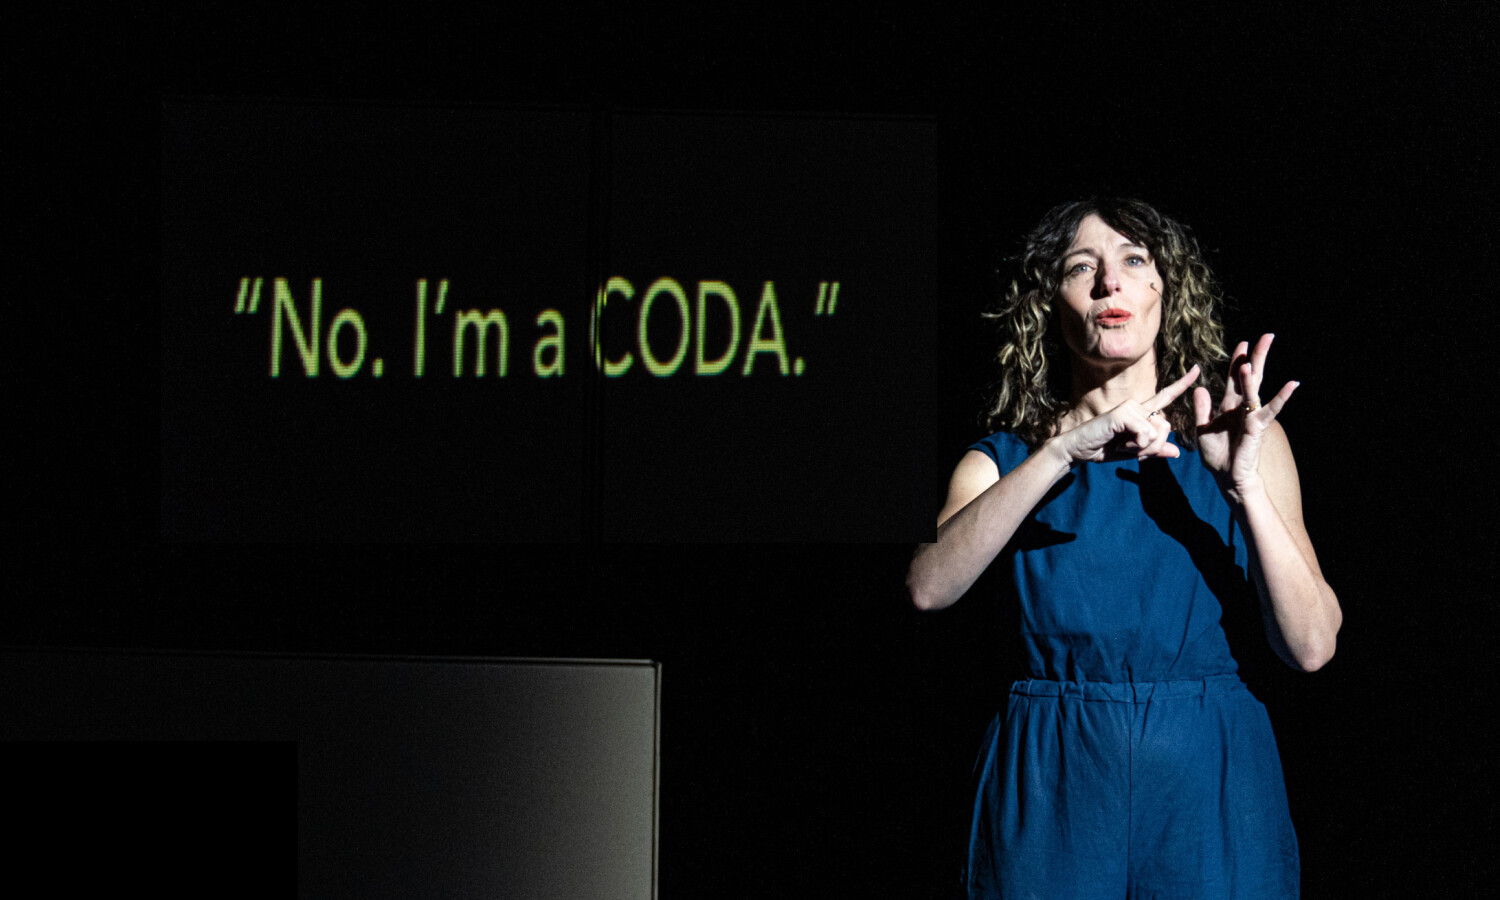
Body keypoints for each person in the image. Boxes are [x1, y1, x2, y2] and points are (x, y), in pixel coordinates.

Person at [906, 197, 1341, 899]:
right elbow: (928, 587)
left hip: (1210, 770)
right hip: (1054, 770)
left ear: (1164, 293)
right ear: (1051, 301)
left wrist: (1244, 489)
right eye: (1083, 267)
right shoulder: (1005, 457)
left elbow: (1313, 645)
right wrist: (1060, 453)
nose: (1110, 284)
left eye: (1133, 261)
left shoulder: (1240, 442)